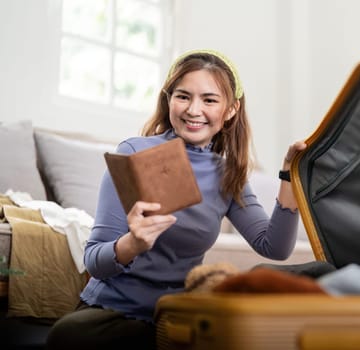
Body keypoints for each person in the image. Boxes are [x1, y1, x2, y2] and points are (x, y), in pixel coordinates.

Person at [46, 49, 306, 350]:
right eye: (183, 96)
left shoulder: (228, 173)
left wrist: (290, 174)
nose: (194, 110)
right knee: (67, 335)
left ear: (231, 110)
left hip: (176, 317)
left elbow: (274, 247)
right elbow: (94, 261)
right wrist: (132, 244)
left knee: (307, 277)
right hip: (116, 314)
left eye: (209, 100)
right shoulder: (133, 152)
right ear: (168, 99)